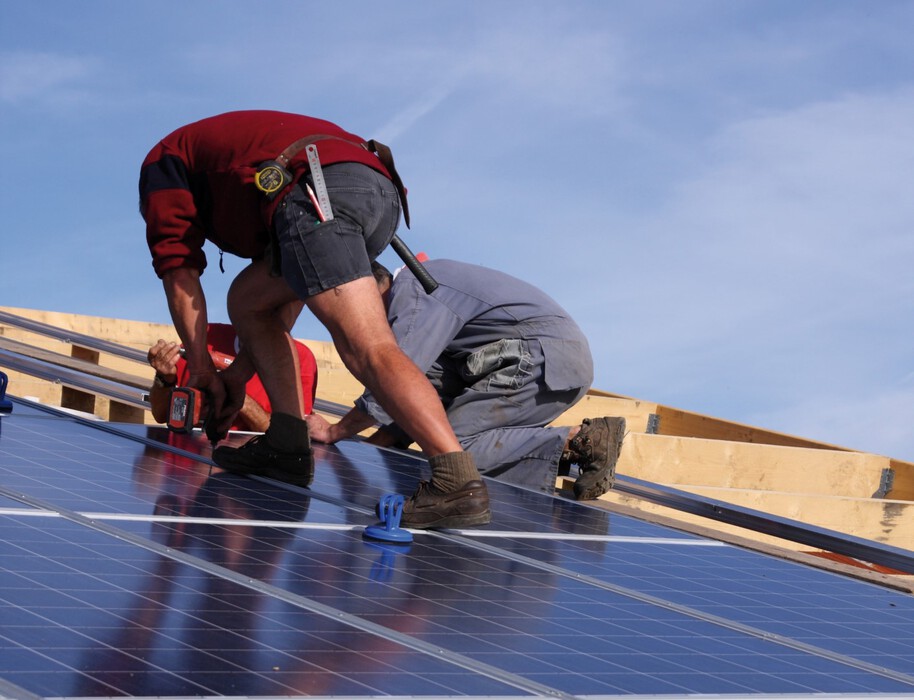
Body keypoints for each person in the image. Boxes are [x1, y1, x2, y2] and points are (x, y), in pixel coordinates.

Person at [139, 110, 489, 529]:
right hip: (371, 189)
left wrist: (199, 369)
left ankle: (456, 481)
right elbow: (285, 300)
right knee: (249, 300)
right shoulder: (238, 173)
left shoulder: (163, 164)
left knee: (367, 348)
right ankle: (287, 444)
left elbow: (179, 270)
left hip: (317, 189)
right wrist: (236, 376)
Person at [306, 259, 626, 500]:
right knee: (446, 445)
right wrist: (373, 448)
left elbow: (390, 381)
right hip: (553, 360)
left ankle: (579, 441)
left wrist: (336, 431)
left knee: (449, 454)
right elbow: (422, 391)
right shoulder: (426, 294)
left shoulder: (413, 293)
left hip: (537, 358)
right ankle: (554, 455)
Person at [146, 322, 318, 432]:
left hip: (250, 468)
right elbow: (160, 414)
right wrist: (163, 378)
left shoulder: (300, 359)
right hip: (185, 464)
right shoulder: (204, 337)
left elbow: (289, 435)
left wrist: (237, 396)